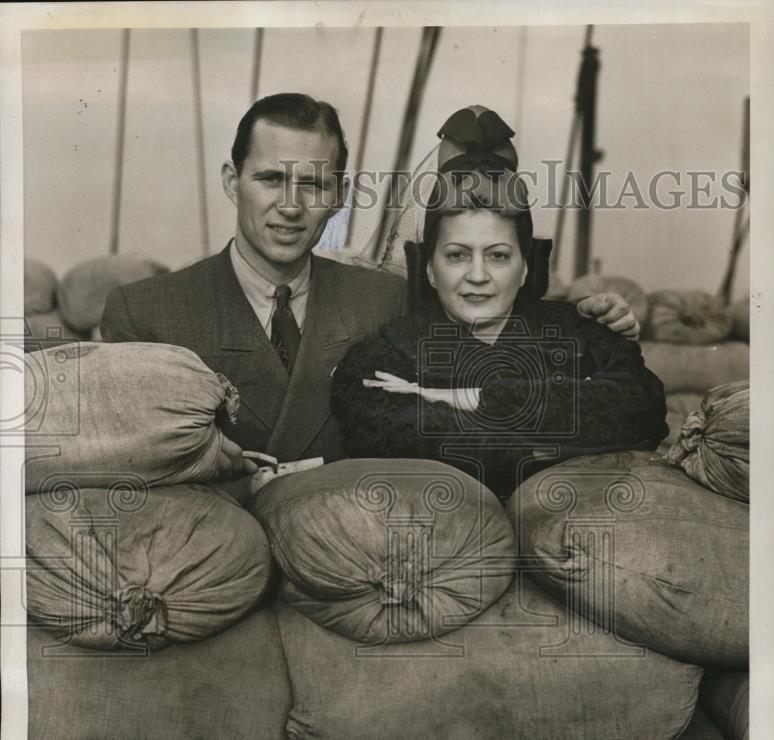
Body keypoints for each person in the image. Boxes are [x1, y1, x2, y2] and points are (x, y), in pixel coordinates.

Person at [101, 93, 642, 467]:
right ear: (231, 180)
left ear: (339, 194)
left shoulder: (389, 298)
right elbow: (131, 460)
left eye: (314, 184)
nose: (291, 206)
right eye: (270, 178)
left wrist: (596, 322)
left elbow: (494, 298)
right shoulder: (146, 312)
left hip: (359, 551)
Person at [331, 106, 668, 500]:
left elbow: (644, 408)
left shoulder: (585, 334)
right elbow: (389, 433)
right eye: (457, 255)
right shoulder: (382, 356)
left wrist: (468, 399)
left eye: (498, 255)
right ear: (428, 269)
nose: (478, 275)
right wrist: (564, 422)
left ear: (526, 266)